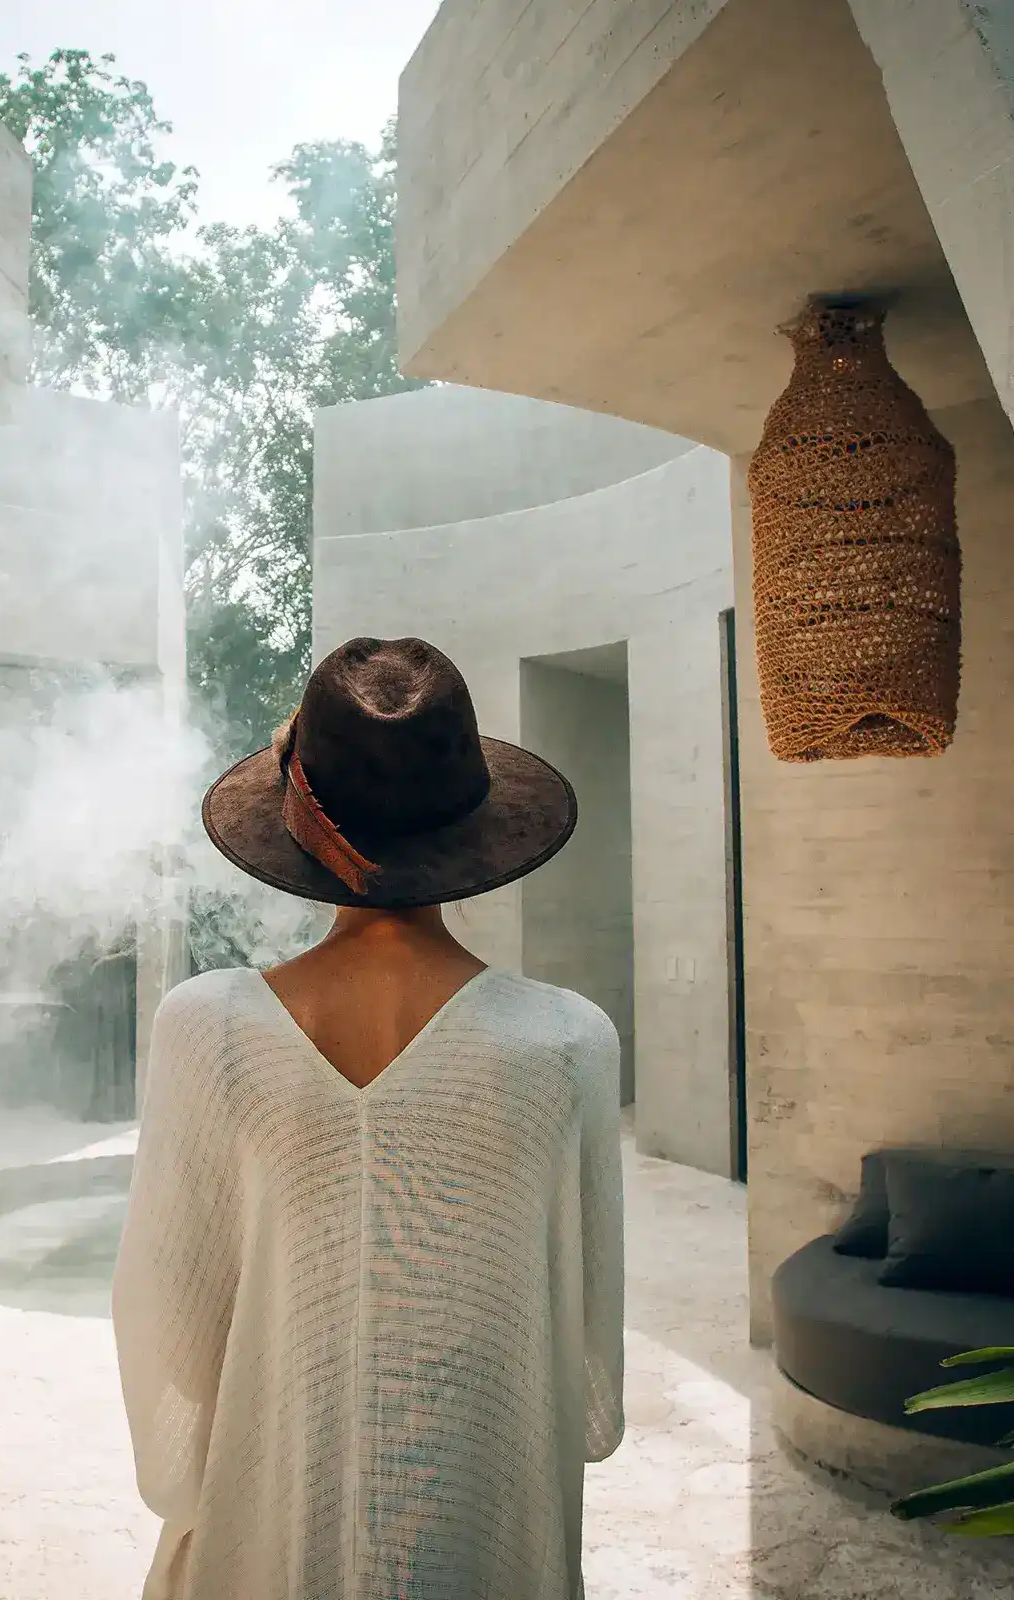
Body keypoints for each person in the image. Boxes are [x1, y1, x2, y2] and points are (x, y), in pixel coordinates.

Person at [113, 636, 626, 1599]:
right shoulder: (568, 1043)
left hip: (268, 1512)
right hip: (482, 1511)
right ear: (472, 828)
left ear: (300, 822)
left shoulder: (206, 1028)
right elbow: (584, 1354)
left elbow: (168, 1321)